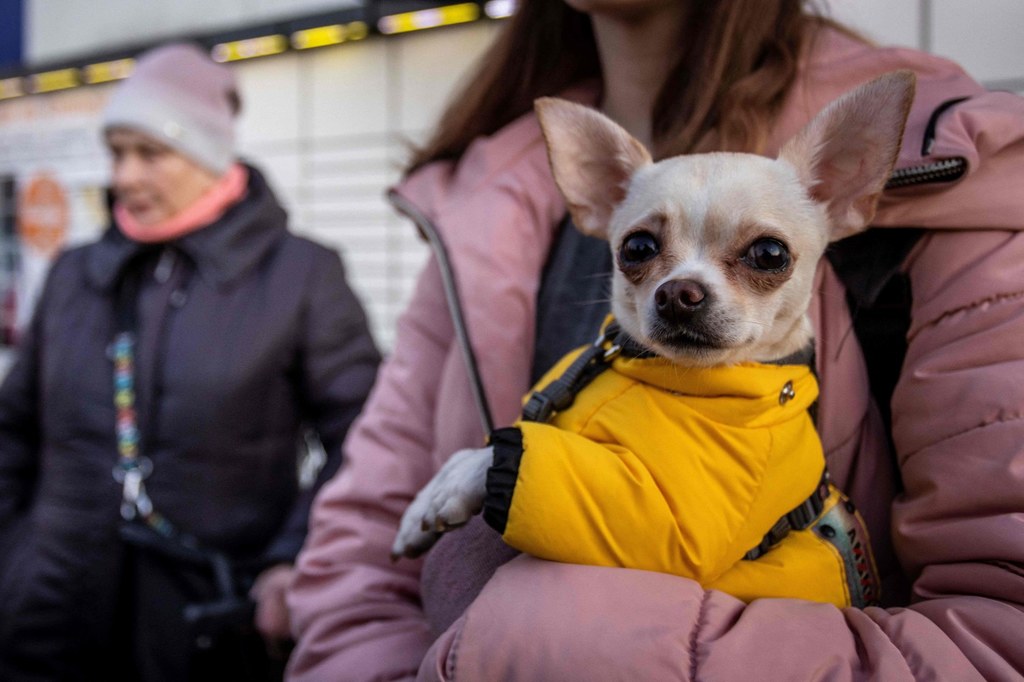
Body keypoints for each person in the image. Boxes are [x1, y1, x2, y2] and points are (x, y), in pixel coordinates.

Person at [288, 1, 1024, 679]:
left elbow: (997, 638)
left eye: (762, 258)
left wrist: (503, 629)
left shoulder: (960, 173)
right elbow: (360, 545)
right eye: (643, 253)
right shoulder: (478, 199)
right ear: (600, 198)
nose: (682, 290)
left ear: (847, 192)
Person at [0, 43, 381, 681]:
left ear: (208, 155)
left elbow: (365, 438)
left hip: (208, 626)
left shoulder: (301, 275)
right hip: (47, 619)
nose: (124, 176)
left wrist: (294, 559)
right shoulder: (75, 274)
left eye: (151, 152)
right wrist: (14, 559)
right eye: (117, 153)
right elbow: (13, 430)